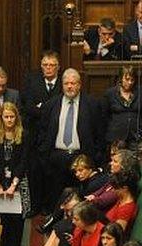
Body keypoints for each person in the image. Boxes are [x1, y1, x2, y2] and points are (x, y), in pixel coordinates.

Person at [39, 68, 105, 211]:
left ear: (79, 85)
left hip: (81, 157)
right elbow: (43, 133)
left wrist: (95, 159)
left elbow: (99, 134)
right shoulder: (51, 105)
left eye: (73, 83)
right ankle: (55, 226)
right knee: (56, 198)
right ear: (62, 85)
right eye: (66, 83)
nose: (69, 86)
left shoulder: (93, 104)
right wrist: (46, 157)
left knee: (79, 200)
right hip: (57, 157)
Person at [19, 50, 60, 215]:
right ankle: (34, 206)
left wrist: (41, 107)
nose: (48, 68)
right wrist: (47, 110)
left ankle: (50, 207)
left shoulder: (63, 82)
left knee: (52, 172)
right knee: (34, 171)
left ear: (58, 67)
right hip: (35, 134)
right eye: (45, 65)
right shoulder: (32, 79)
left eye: (52, 65)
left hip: (56, 135)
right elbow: (27, 106)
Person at [0, 101, 27, 246]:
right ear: (1, 118)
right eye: (6, 117)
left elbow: (23, 162)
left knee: (17, 219)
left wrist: (13, 185)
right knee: (1, 216)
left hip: (18, 180)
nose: (9, 120)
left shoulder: (23, 134)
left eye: (12, 117)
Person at [103, 66, 142, 147]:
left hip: (137, 137)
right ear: (121, 78)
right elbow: (105, 116)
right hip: (117, 137)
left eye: (132, 80)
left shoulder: (141, 92)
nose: (130, 82)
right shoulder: (110, 93)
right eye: (127, 79)